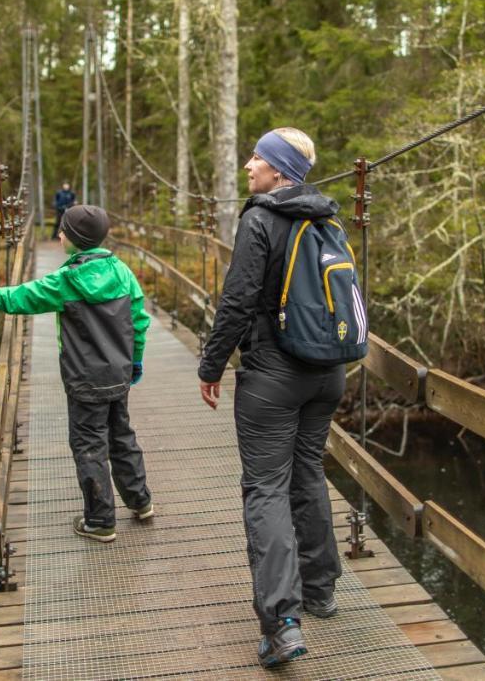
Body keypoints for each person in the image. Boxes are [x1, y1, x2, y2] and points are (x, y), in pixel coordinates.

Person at [197, 127, 344, 669]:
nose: (248, 165)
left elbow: (237, 302)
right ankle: (321, 589)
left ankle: (282, 624)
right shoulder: (328, 219)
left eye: (257, 157)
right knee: (306, 473)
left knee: (265, 489)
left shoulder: (260, 220)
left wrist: (211, 365)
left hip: (273, 377)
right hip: (327, 374)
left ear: (279, 170)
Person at [0, 205, 153, 542]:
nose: (58, 235)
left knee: (89, 445)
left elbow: (22, 296)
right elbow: (139, 320)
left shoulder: (67, 280)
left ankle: (100, 520)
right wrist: (135, 361)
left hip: (84, 380)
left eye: (63, 230)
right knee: (121, 436)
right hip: (118, 375)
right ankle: (141, 501)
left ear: (75, 240)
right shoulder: (122, 271)